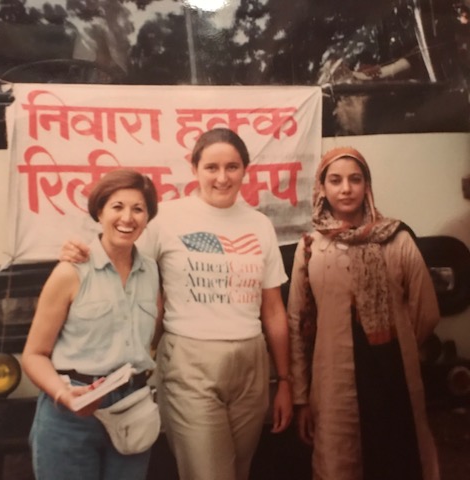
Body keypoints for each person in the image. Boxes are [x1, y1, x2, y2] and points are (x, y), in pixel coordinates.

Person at [62, 128, 293, 480]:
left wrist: (286, 381)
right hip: (189, 364)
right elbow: (118, 256)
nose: (222, 177)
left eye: (232, 167)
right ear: (194, 168)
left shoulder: (260, 225)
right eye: (211, 167)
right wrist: (78, 253)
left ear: (245, 170)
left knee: (240, 472)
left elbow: (273, 310)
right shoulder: (166, 219)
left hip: (251, 366)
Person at [287, 147, 440, 480]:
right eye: (336, 180)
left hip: (393, 373)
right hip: (334, 381)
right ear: (322, 188)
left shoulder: (397, 240)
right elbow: (297, 325)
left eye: (355, 179)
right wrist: (300, 399)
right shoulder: (311, 247)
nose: (346, 188)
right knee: (341, 463)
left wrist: (398, 346)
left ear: (366, 185)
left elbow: (424, 312)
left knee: (400, 459)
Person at [22, 169, 162, 480]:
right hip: (71, 416)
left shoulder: (151, 272)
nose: (127, 218)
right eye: (117, 207)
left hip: (132, 410)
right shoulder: (70, 272)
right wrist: (65, 396)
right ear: (99, 211)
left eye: (138, 209)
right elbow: (34, 355)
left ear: (148, 218)